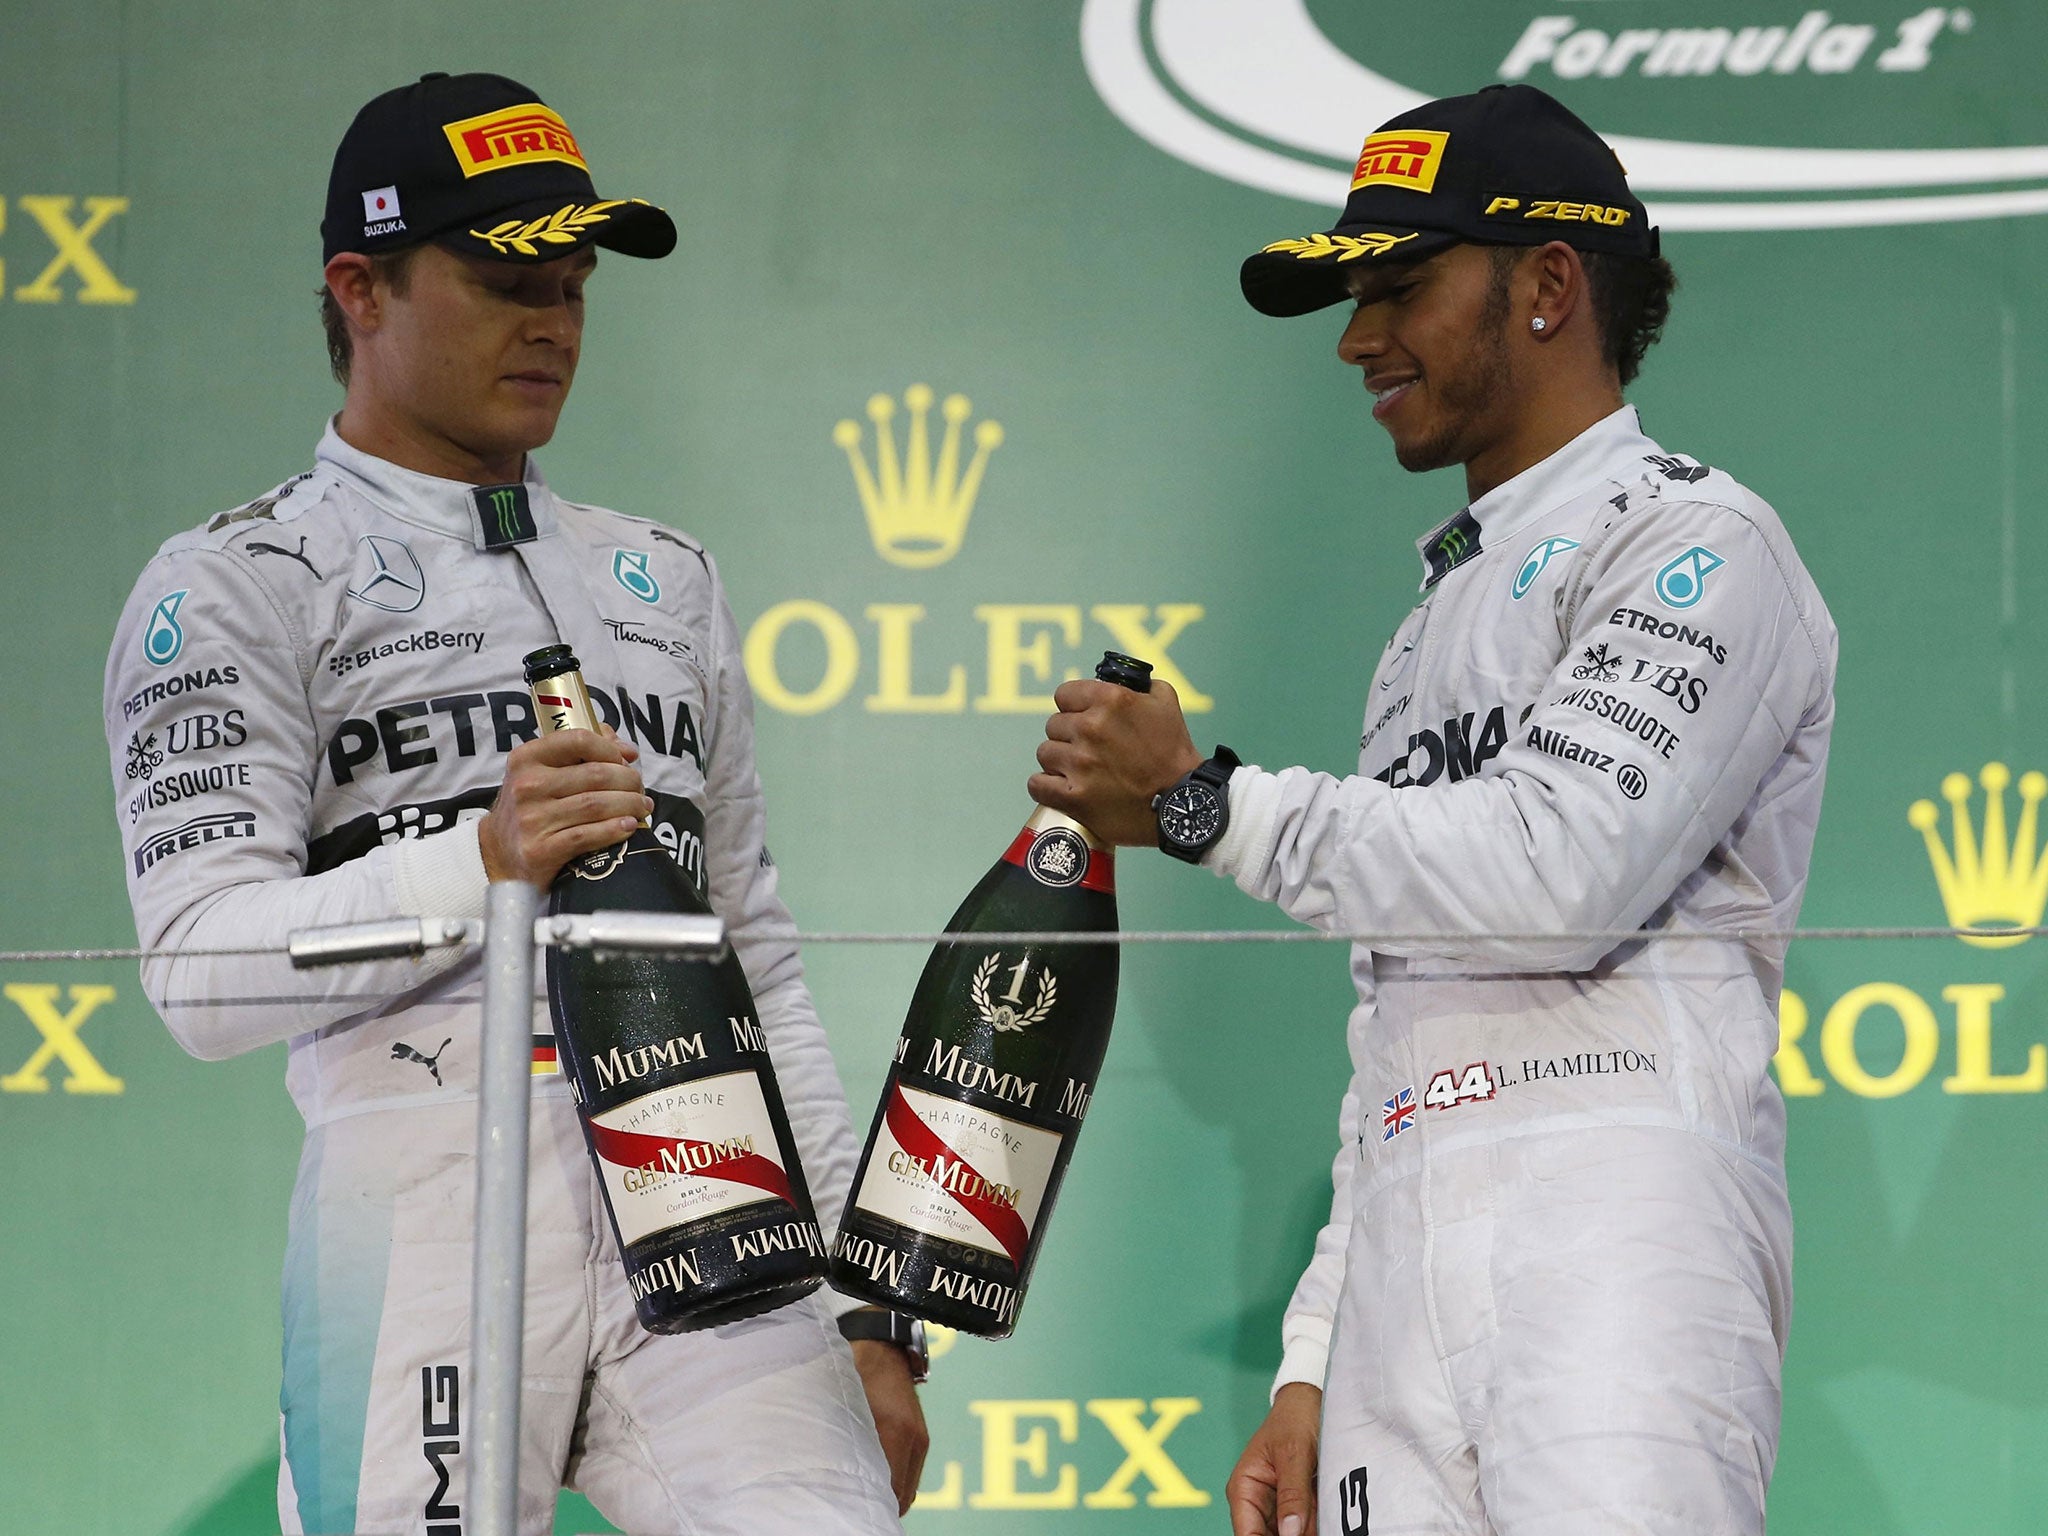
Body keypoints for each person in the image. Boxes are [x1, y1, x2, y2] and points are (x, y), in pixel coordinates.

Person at [104, 71, 926, 1535]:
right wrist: (478, 863)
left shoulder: (661, 575)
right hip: (418, 1191)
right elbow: (196, 972)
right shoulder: (236, 581)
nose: (551, 320)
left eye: (573, 284)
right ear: (359, 289)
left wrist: (867, 1308)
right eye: (503, 281)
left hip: (713, 1173)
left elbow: (762, 964)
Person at [1030, 84, 1835, 1535]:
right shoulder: (1423, 633)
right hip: (1406, 1268)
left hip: (1619, 1227)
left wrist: (1209, 808)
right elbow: (1398, 1019)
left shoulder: (1697, 540)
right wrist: (1315, 1355)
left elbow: (1562, 875)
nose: (1356, 340)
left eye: (1400, 288)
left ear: (1545, 285)